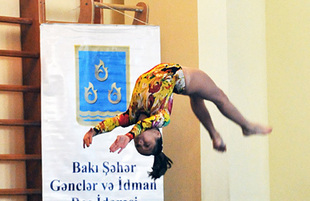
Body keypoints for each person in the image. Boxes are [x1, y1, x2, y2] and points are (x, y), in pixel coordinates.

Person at [83, 63, 272, 179]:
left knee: (197, 98)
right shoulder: (162, 119)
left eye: (138, 145)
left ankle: (215, 135)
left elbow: (112, 122)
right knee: (219, 97)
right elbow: (145, 124)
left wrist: (93, 132)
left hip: (177, 81)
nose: (140, 142)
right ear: (157, 133)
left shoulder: (131, 115)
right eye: (145, 144)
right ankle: (247, 126)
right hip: (183, 77)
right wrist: (129, 136)